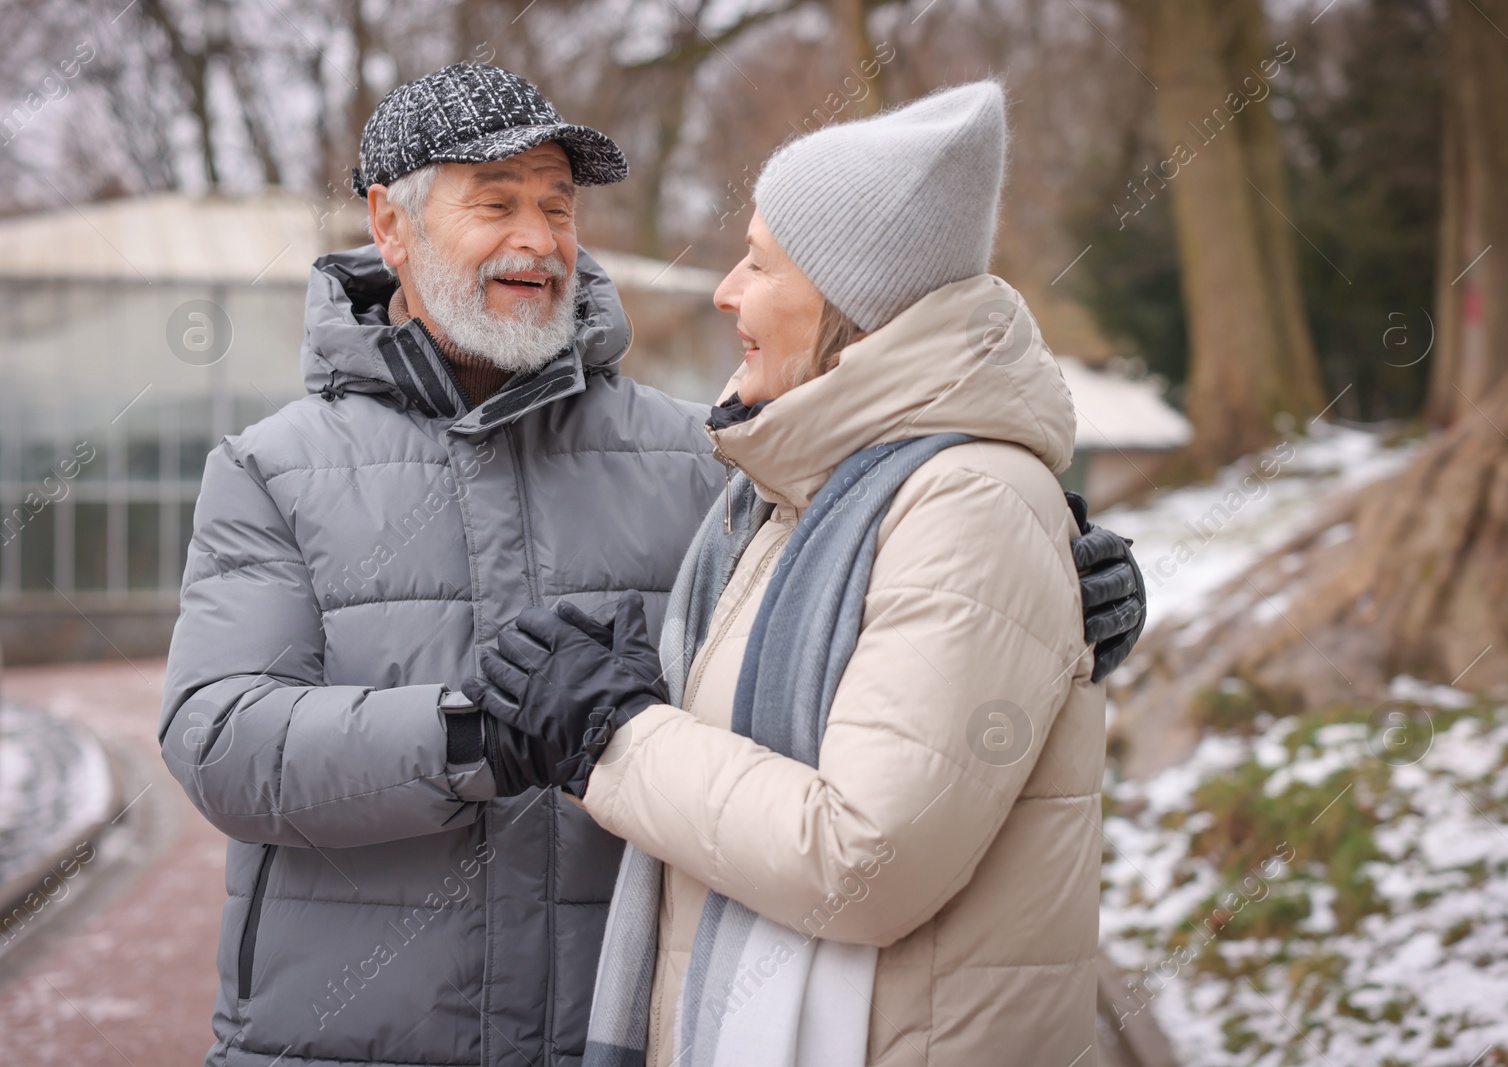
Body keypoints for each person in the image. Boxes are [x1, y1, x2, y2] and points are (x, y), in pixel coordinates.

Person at [159, 64, 1141, 1067]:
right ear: (390, 225)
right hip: (345, 1041)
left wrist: (1051, 596)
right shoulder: (274, 469)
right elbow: (220, 737)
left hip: (629, 1029)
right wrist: (477, 737)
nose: (538, 240)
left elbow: (879, 613)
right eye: (495, 204)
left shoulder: (707, 460)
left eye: (557, 205)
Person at [464, 81, 1120, 1067]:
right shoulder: (790, 497)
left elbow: (866, 859)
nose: (726, 290)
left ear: (849, 306)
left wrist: (615, 734)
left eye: (760, 263)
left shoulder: (962, 502)